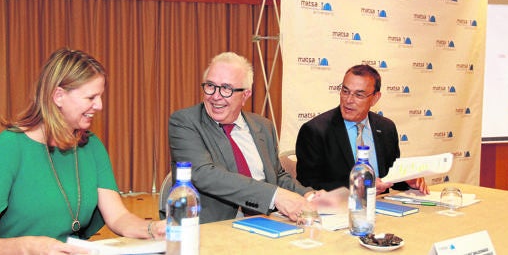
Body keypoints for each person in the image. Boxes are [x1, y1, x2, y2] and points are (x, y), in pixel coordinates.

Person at [0, 48, 166, 255]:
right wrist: (28, 247)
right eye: (91, 97)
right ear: (58, 96)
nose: (100, 105)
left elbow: (118, 217)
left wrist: (152, 229)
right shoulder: (8, 147)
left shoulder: (91, 146)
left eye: (100, 96)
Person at [168, 52, 323, 224]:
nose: (215, 96)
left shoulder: (263, 126)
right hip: (212, 228)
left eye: (226, 88)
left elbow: (277, 176)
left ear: (246, 95)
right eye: (210, 86)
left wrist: (307, 194)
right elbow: (204, 174)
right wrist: (275, 196)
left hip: (267, 221)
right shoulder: (185, 122)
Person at [295, 64, 429, 195]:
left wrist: (407, 180)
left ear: (375, 98)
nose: (348, 100)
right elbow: (307, 185)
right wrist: (358, 186)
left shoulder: (386, 128)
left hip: (383, 207)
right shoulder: (315, 131)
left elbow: (389, 177)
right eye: (345, 91)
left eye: (358, 95)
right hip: (340, 210)